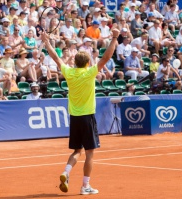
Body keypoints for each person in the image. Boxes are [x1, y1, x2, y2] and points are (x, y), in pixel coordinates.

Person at [41, 28, 120, 195]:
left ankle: (66, 172)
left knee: (77, 151)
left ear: (75, 62)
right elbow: (106, 57)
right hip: (87, 117)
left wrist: (46, 40)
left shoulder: (69, 72)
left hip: (74, 118)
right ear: (86, 63)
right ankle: (85, 186)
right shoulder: (90, 73)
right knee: (90, 153)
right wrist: (114, 37)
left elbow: (55, 57)